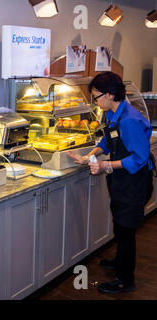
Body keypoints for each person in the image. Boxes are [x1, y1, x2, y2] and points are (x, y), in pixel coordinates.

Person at [68, 71, 155, 294]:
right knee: (119, 223)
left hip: (134, 182)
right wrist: (90, 156)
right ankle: (119, 261)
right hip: (121, 181)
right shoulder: (114, 114)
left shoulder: (130, 121)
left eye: (96, 97)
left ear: (109, 95)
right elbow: (107, 141)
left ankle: (125, 280)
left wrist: (106, 166)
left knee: (126, 230)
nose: (95, 101)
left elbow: (139, 158)